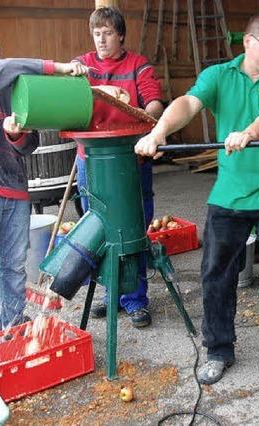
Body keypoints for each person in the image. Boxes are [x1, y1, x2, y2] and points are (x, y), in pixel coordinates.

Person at [135, 13, 259, 384]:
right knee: (215, 271)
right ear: (247, 42)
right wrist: (160, 130)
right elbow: (188, 103)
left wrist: (249, 131)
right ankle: (218, 349)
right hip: (231, 190)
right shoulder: (218, 75)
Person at [0, 28, 88, 337]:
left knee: (14, 266)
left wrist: (15, 133)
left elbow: (29, 145)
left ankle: (15, 327)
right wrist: (59, 68)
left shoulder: (8, 91)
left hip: (13, 189)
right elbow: (9, 67)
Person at [72, 6, 165, 328]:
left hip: (130, 155)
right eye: (96, 33)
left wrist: (150, 120)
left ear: (121, 35)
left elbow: (154, 101)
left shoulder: (138, 65)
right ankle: (110, 295)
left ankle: (135, 299)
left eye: (108, 33)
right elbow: (71, 97)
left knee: (132, 226)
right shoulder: (81, 65)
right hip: (90, 158)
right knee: (97, 229)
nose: (101, 39)